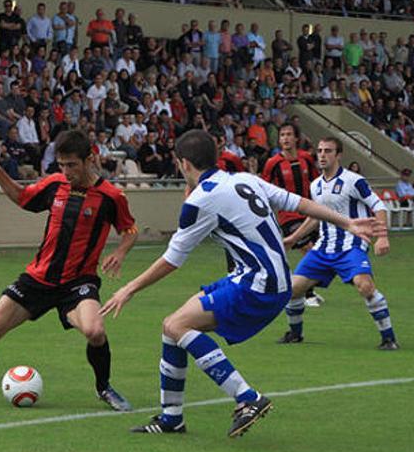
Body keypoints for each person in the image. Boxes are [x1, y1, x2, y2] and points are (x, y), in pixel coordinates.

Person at [99, 130, 376, 436]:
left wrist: (129, 288)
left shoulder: (202, 200)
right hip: (271, 277)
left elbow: (172, 260)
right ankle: (171, 418)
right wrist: (346, 221)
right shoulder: (243, 179)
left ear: (184, 164)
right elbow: (301, 204)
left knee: (177, 327)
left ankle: (247, 398)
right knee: (172, 326)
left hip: (259, 283)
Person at [0, 129, 139, 411]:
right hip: (38, 278)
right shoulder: (54, 184)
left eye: (72, 165)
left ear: (90, 159)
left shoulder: (110, 196)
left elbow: (130, 229)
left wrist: (120, 251)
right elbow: (21, 197)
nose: (66, 172)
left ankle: (104, 388)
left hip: (78, 282)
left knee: (95, 331)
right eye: (62, 165)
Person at [278, 138, 398, 350]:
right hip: (323, 248)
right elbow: (314, 217)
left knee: (365, 286)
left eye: (328, 151)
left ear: (338, 155)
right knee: (293, 289)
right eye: (320, 150)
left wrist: (382, 236)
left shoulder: (354, 181)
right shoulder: (315, 185)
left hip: (351, 245)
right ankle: (295, 334)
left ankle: (388, 338)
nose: (322, 155)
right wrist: (292, 239)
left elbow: (378, 206)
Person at [262, 122, 323, 306]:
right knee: (308, 249)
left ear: (296, 138)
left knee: (317, 251)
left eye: (289, 134)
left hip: (309, 213)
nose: (286, 138)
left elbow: (316, 182)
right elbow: (264, 187)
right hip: (288, 216)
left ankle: (300, 287)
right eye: (282, 135)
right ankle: (306, 293)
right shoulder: (273, 163)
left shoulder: (306, 158)